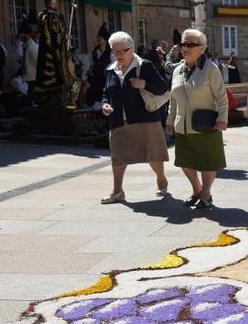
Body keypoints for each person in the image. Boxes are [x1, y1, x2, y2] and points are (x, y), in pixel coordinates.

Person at [99, 32, 170, 205]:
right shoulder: (110, 70)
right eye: (115, 52)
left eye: (123, 51)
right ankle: (117, 192)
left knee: (153, 157)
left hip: (145, 120)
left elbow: (162, 87)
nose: (119, 55)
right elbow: (106, 93)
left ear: (131, 49)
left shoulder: (144, 66)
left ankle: (161, 179)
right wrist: (105, 104)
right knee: (117, 157)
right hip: (118, 121)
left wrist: (144, 84)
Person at [166, 29, 228, 209]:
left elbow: (221, 96)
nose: (185, 48)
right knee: (185, 162)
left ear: (201, 48)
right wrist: (170, 120)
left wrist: (222, 118)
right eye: (183, 44)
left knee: (208, 162)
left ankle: (206, 194)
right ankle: (197, 189)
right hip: (183, 125)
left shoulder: (210, 69)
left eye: (191, 44)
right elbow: (173, 98)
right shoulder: (177, 70)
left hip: (207, 124)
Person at [86, 24, 111, 108]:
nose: (98, 39)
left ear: (105, 40)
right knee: (94, 100)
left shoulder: (110, 53)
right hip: (96, 79)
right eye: (98, 37)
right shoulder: (94, 52)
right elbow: (92, 65)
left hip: (106, 79)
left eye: (101, 38)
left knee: (104, 99)